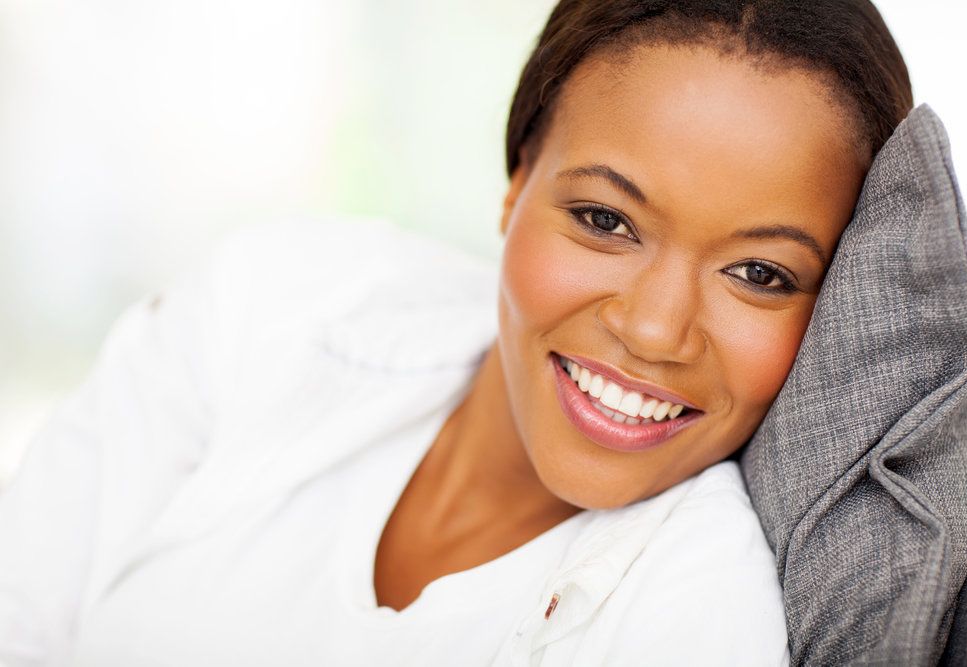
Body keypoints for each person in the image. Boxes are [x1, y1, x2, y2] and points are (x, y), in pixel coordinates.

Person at [0, 1, 913, 665]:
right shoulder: (276, 301)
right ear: (516, 183)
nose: (653, 327)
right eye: (604, 219)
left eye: (760, 274)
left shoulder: (693, 608)